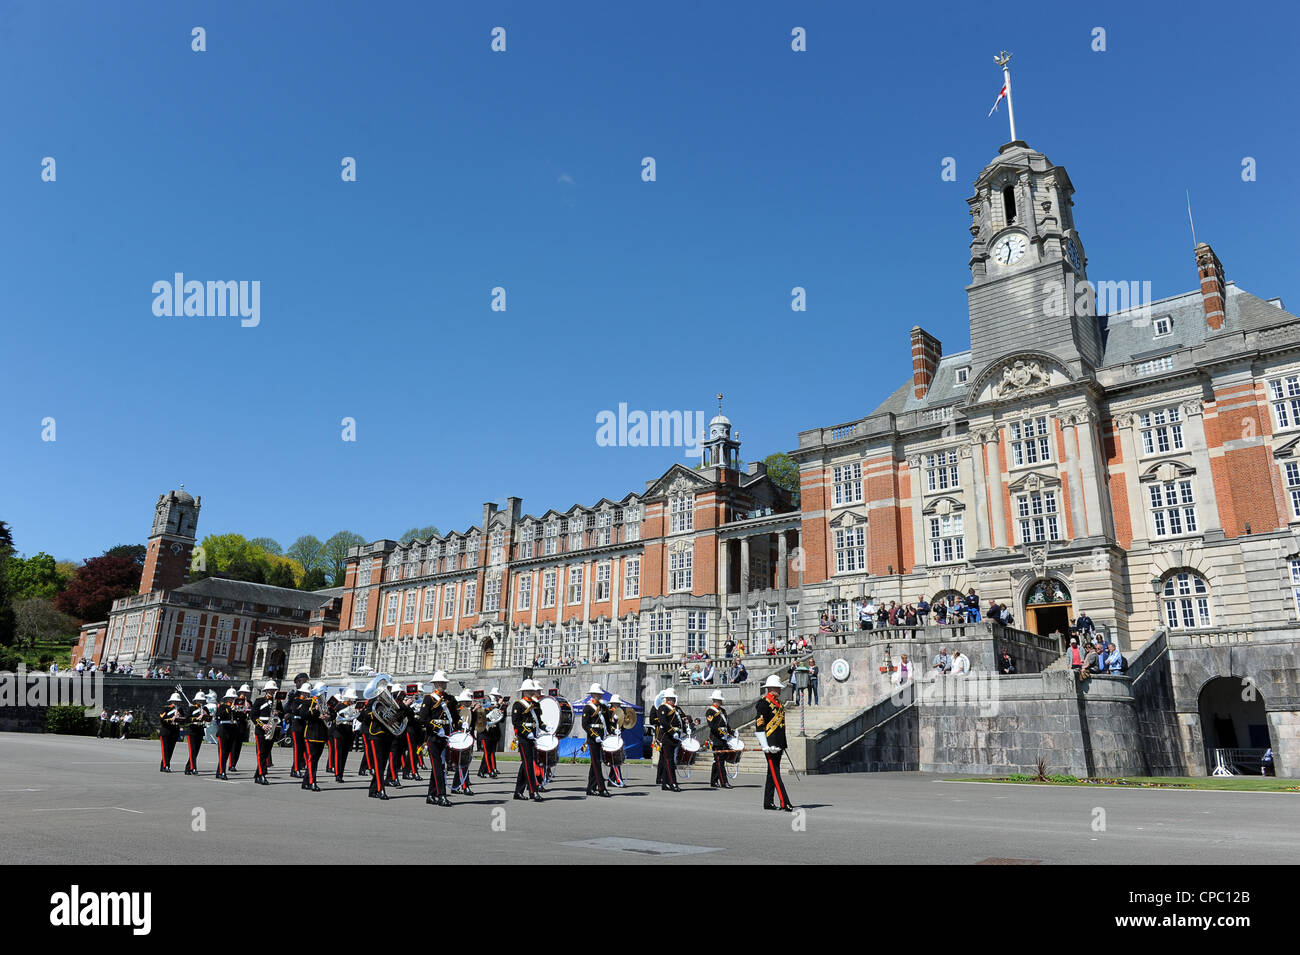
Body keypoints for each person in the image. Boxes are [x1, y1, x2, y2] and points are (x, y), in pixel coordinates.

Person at [755, 675, 792, 811]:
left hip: (778, 743)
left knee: (771, 774)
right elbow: (759, 725)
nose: (780, 690)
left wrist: (782, 743)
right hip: (770, 744)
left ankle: (768, 802)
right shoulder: (763, 703)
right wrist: (765, 745)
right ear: (771, 688)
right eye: (778, 688)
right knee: (776, 774)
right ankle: (785, 802)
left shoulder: (779, 704)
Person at [419, 672, 453, 807]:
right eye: (439, 683)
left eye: (444, 682)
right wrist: (435, 727)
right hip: (433, 736)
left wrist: (461, 725)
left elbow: (454, 717)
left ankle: (431, 794)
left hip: (445, 736)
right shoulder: (428, 699)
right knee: (438, 766)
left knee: (439, 766)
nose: (442, 685)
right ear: (435, 684)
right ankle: (441, 795)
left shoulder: (449, 698)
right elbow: (423, 718)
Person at [512, 679, 543, 801]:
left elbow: (538, 721)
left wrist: (545, 728)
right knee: (529, 764)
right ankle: (532, 791)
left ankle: (518, 792)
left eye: (532, 690)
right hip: (524, 738)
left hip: (534, 738)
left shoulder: (536, 705)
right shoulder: (518, 705)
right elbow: (516, 722)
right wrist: (526, 733)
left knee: (525, 764)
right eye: (529, 690)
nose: (531, 692)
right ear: (524, 691)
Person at [581, 683, 612, 797]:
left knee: (595, 763)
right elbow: (585, 725)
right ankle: (601, 788)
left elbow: (607, 723)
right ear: (592, 694)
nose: (599, 696)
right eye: (597, 694)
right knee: (597, 763)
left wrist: (613, 732)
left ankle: (590, 788)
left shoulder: (604, 707)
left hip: (602, 738)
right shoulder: (588, 708)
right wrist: (595, 736)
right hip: (593, 739)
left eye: (600, 694)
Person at [250, 681, 280, 785]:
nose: (272, 691)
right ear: (266, 690)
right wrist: (262, 725)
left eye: (274, 690)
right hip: (261, 730)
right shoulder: (259, 700)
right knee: (261, 753)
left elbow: (282, 714)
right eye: (271, 690)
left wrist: (278, 714)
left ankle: (258, 775)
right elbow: (253, 716)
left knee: (266, 753)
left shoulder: (277, 702)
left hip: (272, 729)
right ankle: (262, 774)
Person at [705, 690, 735, 789]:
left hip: (724, 738)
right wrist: (722, 734)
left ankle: (713, 781)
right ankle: (723, 782)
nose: (721, 702)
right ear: (715, 700)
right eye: (719, 700)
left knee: (718, 760)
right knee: (719, 761)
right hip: (716, 739)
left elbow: (726, 724)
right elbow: (712, 726)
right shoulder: (710, 711)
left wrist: (731, 732)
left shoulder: (723, 711)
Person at [655, 689, 684, 792]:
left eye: (674, 698)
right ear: (667, 699)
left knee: (668, 760)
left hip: (674, 738)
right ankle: (672, 783)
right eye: (672, 698)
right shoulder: (663, 708)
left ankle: (665, 783)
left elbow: (681, 720)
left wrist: (686, 727)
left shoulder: (676, 709)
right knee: (669, 761)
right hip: (667, 738)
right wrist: (672, 732)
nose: (674, 700)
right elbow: (664, 722)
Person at [300, 688, 328, 792]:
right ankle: (312, 781)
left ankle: (305, 782)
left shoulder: (325, 703)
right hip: (311, 734)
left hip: (321, 735)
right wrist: (316, 710)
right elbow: (303, 715)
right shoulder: (308, 702)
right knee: (311, 760)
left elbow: (333, 715)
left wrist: (328, 716)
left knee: (315, 760)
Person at [478, 688, 506, 778]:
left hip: (493, 733)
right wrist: (497, 706)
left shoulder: (495, 709)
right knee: (487, 753)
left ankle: (482, 771)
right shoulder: (484, 708)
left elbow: (501, 720)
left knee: (490, 753)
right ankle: (490, 771)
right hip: (485, 734)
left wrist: (503, 709)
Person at [214, 690, 239, 779]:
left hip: (232, 732)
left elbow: (241, 718)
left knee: (226, 753)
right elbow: (219, 716)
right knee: (222, 753)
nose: (233, 699)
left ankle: (218, 771)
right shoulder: (222, 706)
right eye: (231, 698)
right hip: (223, 732)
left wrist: (239, 710)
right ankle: (222, 772)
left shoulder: (236, 708)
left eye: (234, 698)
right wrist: (230, 709)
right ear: (227, 698)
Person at [159, 693, 185, 772]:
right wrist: (171, 719)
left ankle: (164, 765)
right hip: (166, 731)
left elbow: (183, 720)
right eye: (174, 701)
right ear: (171, 701)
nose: (176, 703)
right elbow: (162, 719)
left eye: (177, 701)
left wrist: (179, 718)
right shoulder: (166, 709)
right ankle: (166, 766)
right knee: (165, 749)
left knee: (170, 750)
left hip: (174, 731)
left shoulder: (180, 709)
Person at [184, 692, 208, 776]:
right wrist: (196, 718)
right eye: (199, 700)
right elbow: (186, 719)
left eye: (202, 700)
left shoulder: (204, 708)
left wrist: (206, 716)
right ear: (196, 700)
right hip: (192, 731)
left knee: (196, 751)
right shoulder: (191, 708)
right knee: (192, 750)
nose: (201, 701)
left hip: (200, 730)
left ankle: (187, 768)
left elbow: (208, 718)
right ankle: (193, 768)